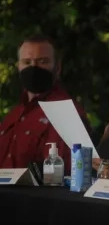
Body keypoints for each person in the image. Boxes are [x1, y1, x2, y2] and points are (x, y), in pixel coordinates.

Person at [0, 34, 90, 174]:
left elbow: (72, 175)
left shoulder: (67, 114)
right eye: (27, 62)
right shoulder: (14, 115)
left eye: (42, 61)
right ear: (19, 66)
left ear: (57, 67)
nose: (33, 67)